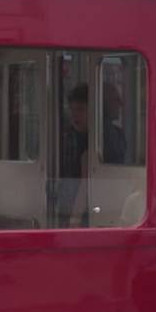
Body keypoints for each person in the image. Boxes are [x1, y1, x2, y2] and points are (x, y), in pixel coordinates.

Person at [58, 83, 89, 228]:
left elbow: (86, 182)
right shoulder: (65, 138)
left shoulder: (99, 140)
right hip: (63, 206)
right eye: (72, 109)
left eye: (81, 109)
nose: (75, 115)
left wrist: (75, 218)